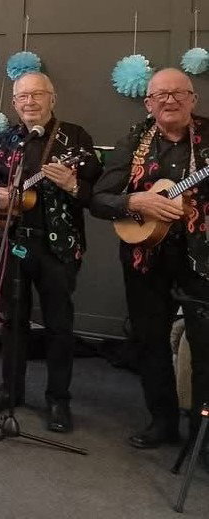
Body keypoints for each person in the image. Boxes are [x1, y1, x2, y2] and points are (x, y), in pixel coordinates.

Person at [0, 71, 101, 433]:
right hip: (12, 243)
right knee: (12, 322)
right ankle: (11, 390)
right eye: (22, 97)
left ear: (52, 98)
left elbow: (93, 187)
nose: (30, 102)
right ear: (14, 103)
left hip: (58, 245)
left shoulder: (74, 138)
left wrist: (72, 182)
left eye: (37, 95)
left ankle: (58, 399)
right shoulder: (6, 138)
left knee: (59, 324)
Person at [90, 68, 209, 463]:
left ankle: (202, 434)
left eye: (178, 93)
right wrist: (136, 202)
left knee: (205, 345)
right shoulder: (133, 141)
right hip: (145, 256)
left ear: (193, 98)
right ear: (149, 103)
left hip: (201, 256)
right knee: (149, 338)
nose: (170, 100)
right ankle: (162, 420)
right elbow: (100, 198)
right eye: (161, 95)